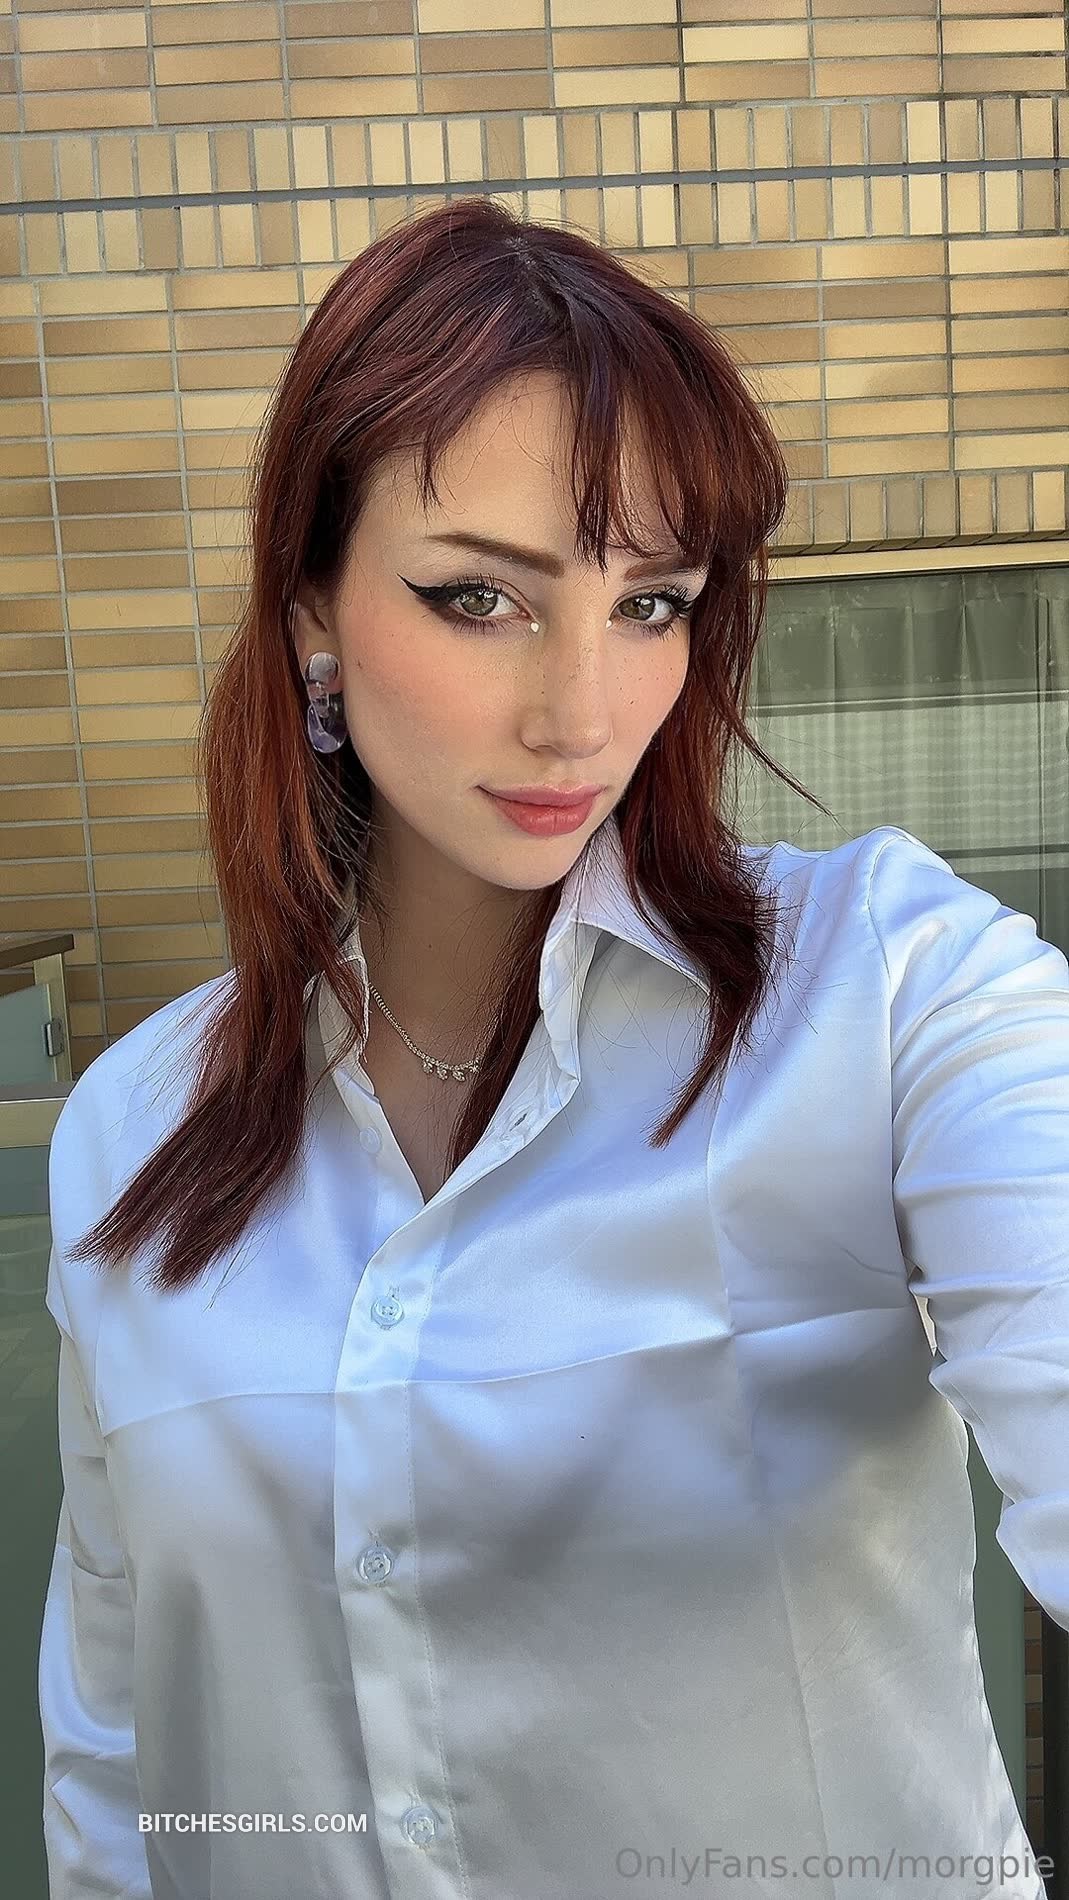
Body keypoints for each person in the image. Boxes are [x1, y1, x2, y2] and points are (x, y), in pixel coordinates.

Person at [39, 198, 1066, 1900]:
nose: (579, 712)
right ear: (310, 607)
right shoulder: (131, 1128)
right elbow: (120, 1734)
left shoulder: (888, 994)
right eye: (479, 598)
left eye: (649, 604)